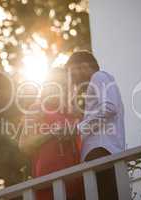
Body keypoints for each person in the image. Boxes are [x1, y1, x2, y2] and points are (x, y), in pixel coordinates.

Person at [65, 50, 125, 200]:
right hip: (101, 151)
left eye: (72, 73)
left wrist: (78, 129)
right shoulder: (98, 82)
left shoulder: (99, 77)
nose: (72, 79)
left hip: (100, 151)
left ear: (83, 66)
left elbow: (109, 108)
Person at [19, 68, 84, 200]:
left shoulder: (75, 114)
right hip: (49, 182)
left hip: (79, 183)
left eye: (64, 85)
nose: (60, 88)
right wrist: (53, 133)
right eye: (56, 84)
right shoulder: (37, 108)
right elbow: (24, 145)